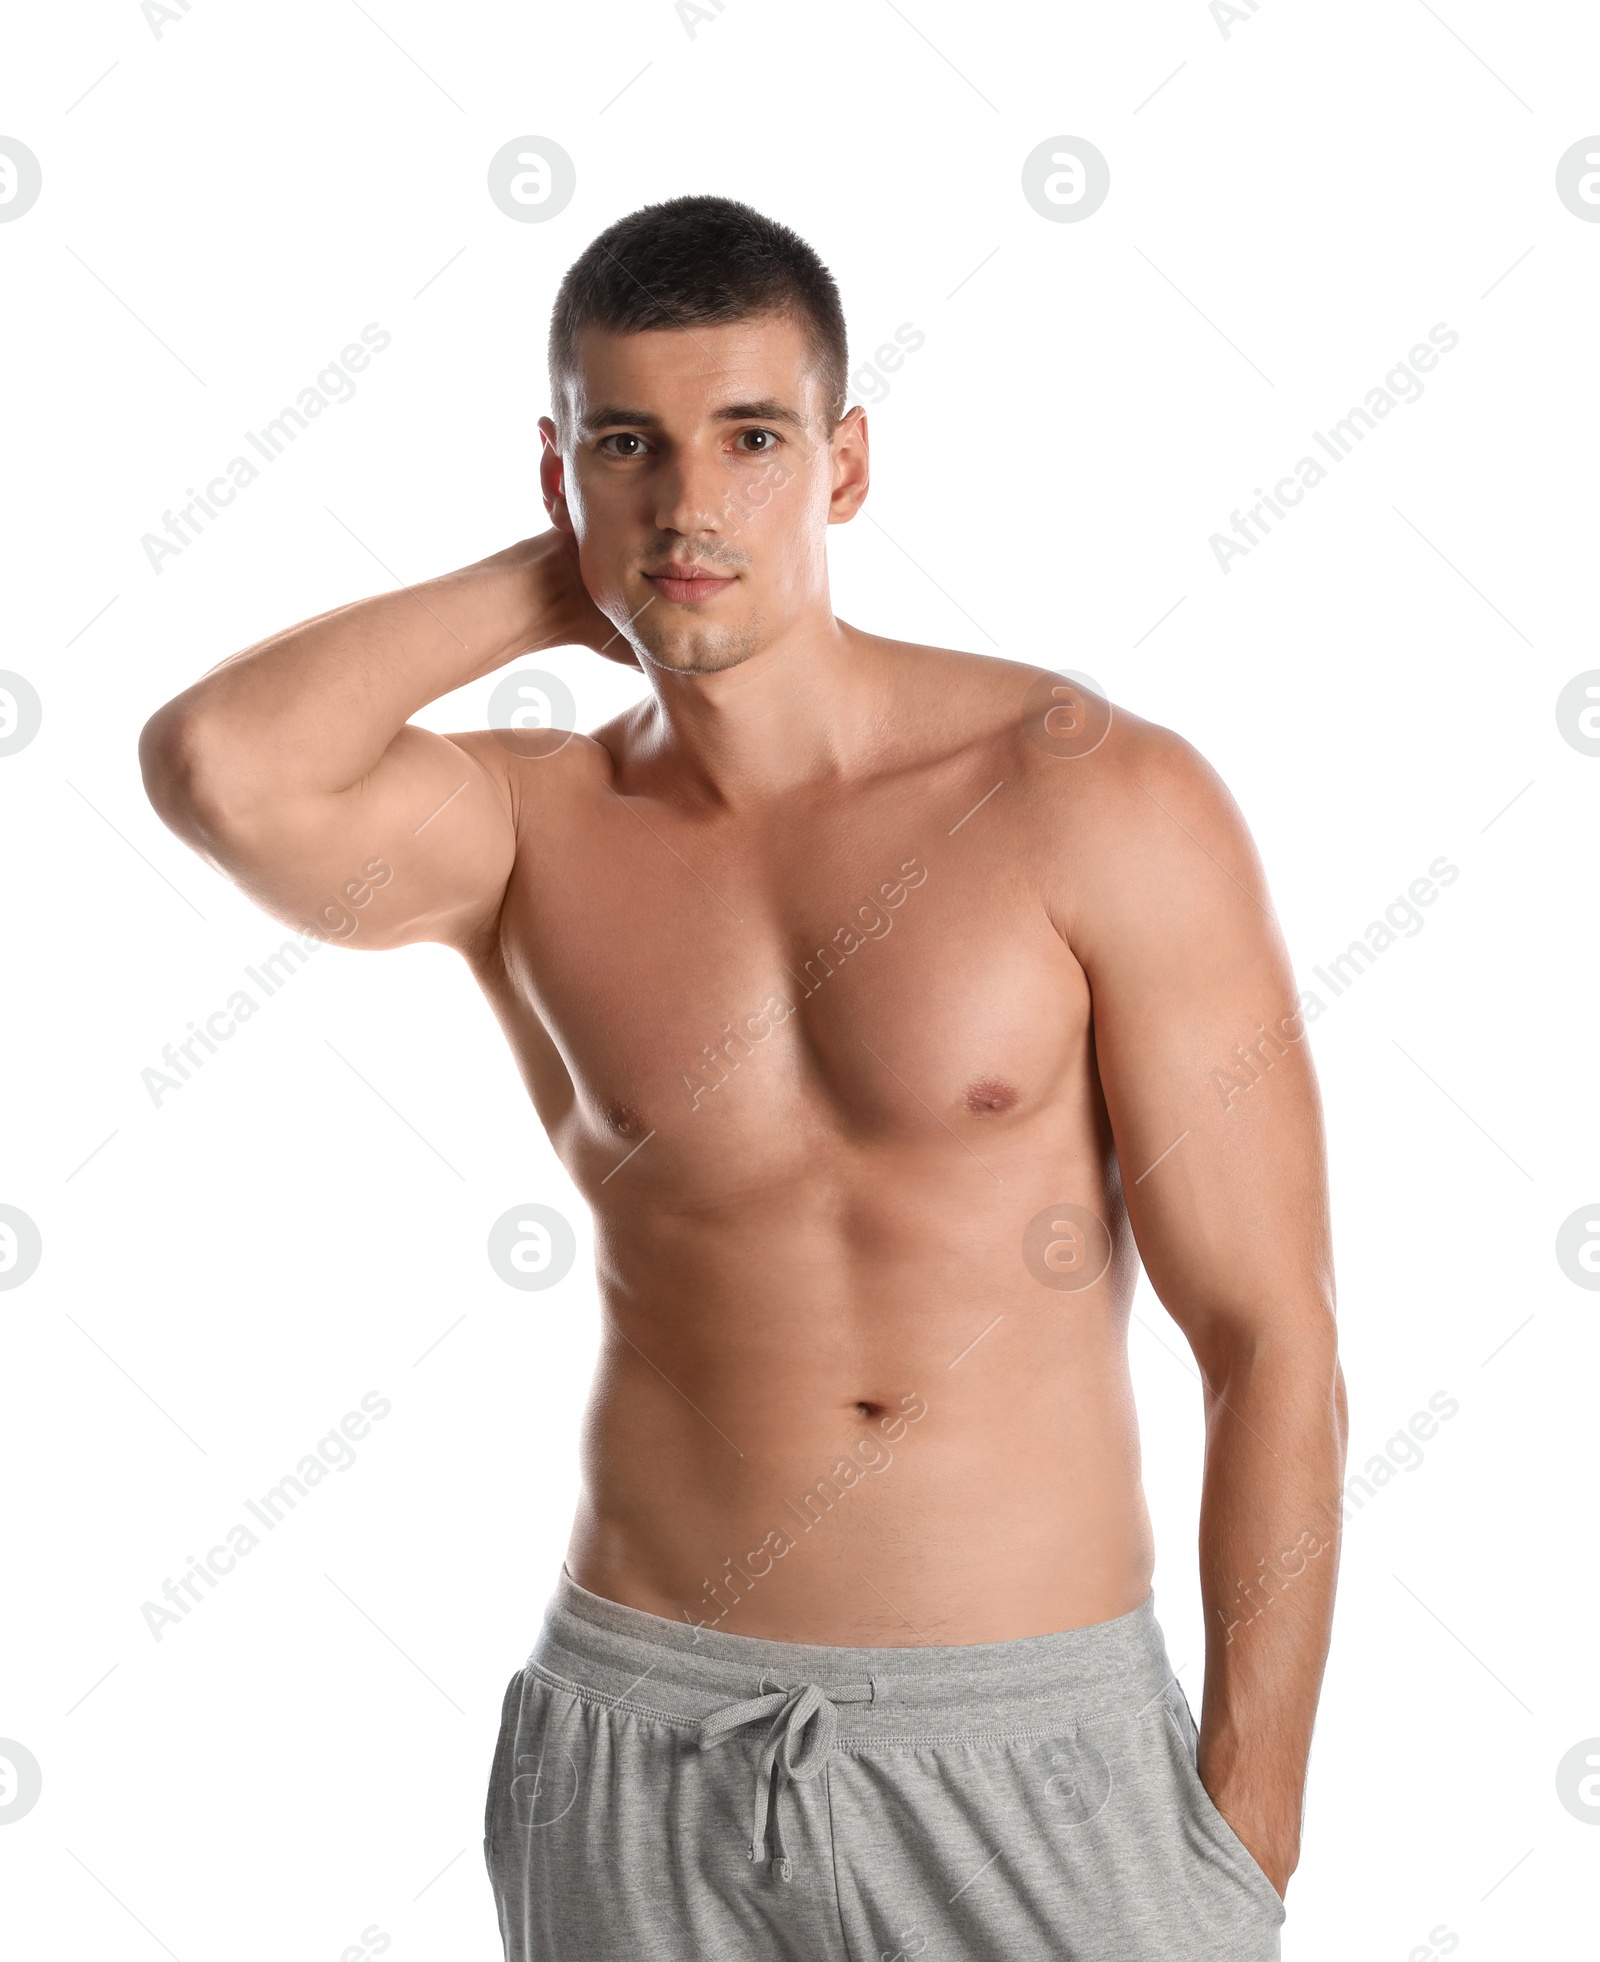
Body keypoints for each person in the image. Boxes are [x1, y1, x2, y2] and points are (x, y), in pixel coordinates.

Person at [140, 194, 1347, 1961]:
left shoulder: (1091, 793)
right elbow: (219, 766)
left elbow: (1273, 1333)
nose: (693, 501)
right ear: (559, 471)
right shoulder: (524, 828)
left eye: (753, 442)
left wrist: (1250, 1836)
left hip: (1034, 1753)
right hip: (642, 1734)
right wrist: (575, 571)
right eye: (629, 445)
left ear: (846, 465)